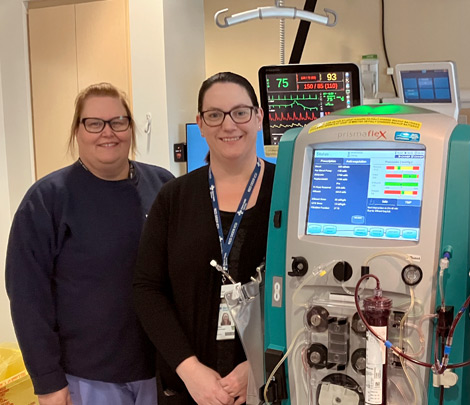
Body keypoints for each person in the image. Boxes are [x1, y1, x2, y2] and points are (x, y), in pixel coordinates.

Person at [5, 82, 174, 405]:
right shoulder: (48, 199)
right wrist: (48, 381)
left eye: (118, 121)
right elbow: (27, 296)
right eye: (94, 123)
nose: (107, 132)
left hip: (160, 370)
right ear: (77, 131)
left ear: (131, 127)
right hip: (86, 378)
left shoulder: (163, 185)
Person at [133, 72, 275, 405]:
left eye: (240, 112)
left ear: (258, 118)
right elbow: (146, 289)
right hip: (187, 388)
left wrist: (257, 366)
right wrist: (189, 370)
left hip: (267, 383)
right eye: (215, 115)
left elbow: (303, 293)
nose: (229, 125)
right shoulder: (173, 197)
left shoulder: (290, 192)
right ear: (200, 122)